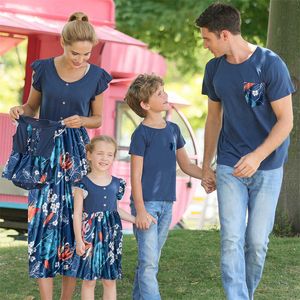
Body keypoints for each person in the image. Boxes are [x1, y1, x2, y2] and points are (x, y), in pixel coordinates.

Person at [7, 12, 112, 300]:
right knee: (42, 221)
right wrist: (20, 110)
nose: (80, 59)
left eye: (86, 53)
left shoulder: (97, 76)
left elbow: (98, 119)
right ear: (62, 44)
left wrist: (82, 119)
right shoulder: (42, 69)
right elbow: (31, 107)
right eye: (74, 52)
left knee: (73, 221)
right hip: (43, 154)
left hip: (77, 155)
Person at [195, 3, 295, 300]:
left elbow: (286, 121)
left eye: (207, 39)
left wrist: (257, 156)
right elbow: (214, 119)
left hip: (267, 165)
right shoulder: (214, 69)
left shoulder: (270, 63)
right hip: (229, 165)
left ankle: (244, 295)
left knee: (257, 243)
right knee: (231, 239)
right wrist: (206, 166)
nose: (205, 45)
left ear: (224, 34)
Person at [124, 73, 212, 300]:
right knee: (149, 262)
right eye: (159, 93)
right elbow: (136, 176)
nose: (166, 95)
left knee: (149, 260)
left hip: (167, 204)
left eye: (164, 90)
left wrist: (209, 176)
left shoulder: (173, 130)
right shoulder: (140, 135)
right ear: (145, 104)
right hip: (147, 207)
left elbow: (186, 165)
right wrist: (141, 210)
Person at [72, 135, 135, 300]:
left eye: (109, 154)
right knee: (89, 281)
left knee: (109, 280)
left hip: (111, 236)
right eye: (100, 153)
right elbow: (77, 214)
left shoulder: (117, 183)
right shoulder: (82, 184)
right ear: (89, 155)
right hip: (89, 236)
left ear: (114, 157)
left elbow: (116, 210)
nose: (104, 158)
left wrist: (135, 220)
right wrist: (79, 240)